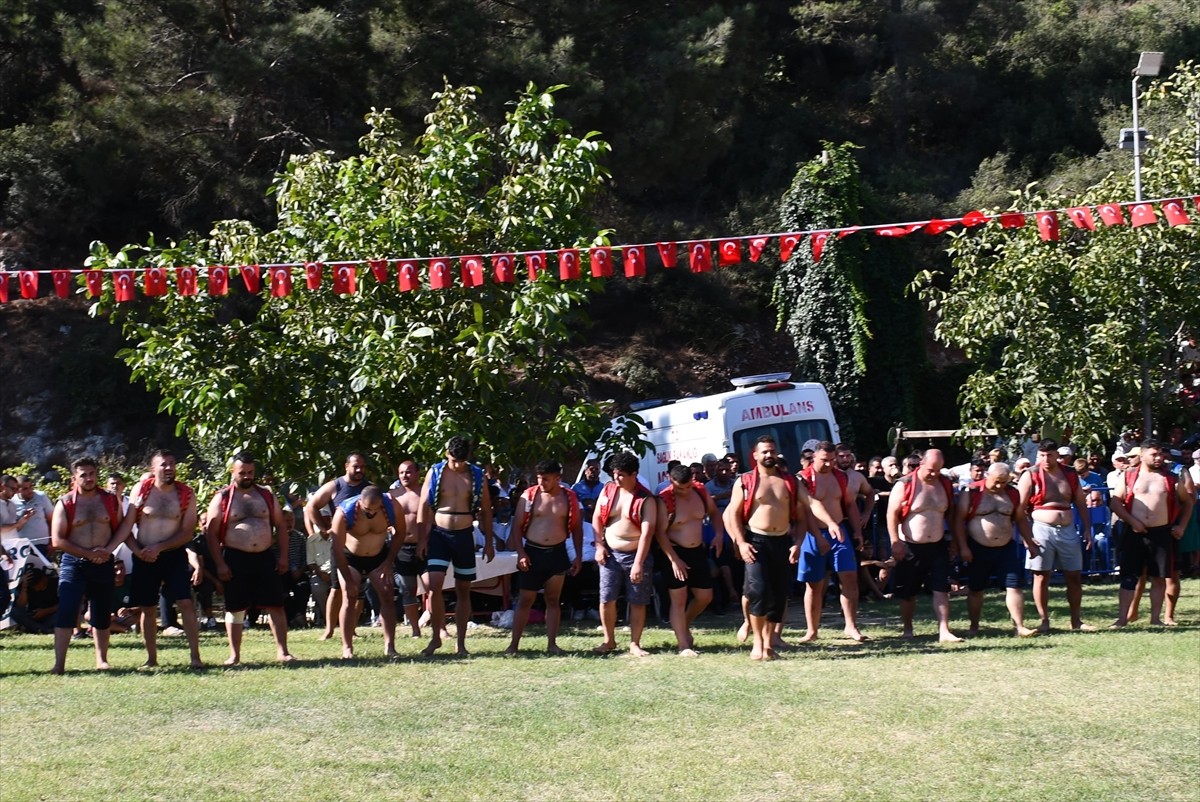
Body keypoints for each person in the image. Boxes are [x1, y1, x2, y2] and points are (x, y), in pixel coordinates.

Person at [725, 436, 819, 660]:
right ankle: (757, 643)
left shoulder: (790, 482)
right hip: (756, 541)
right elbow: (732, 515)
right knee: (758, 591)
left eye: (772, 451)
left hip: (782, 542)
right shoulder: (745, 481)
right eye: (765, 451)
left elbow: (803, 514)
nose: (769, 455)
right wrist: (741, 542)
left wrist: (798, 543)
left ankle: (768, 644)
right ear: (755, 455)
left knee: (778, 595)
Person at [112, 450, 203, 668]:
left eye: (172, 463)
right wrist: (137, 551)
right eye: (164, 464)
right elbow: (126, 526)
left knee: (185, 603)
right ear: (153, 469)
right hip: (144, 556)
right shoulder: (141, 489)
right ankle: (151, 659)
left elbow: (187, 532)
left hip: (173, 554)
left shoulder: (186, 494)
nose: (169, 468)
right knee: (148, 608)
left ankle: (195, 657)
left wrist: (160, 547)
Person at [204, 451, 294, 666]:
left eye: (250, 472)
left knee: (276, 605)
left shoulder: (266, 495)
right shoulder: (223, 498)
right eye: (242, 472)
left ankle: (283, 651)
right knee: (236, 608)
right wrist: (220, 564)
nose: (247, 476)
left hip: (265, 557)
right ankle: (234, 655)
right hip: (235, 557)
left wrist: (283, 557)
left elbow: (281, 526)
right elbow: (211, 533)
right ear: (232, 472)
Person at [417, 435, 495, 657]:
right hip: (439, 534)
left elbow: (486, 509)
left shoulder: (476, 474)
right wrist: (422, 539)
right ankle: (436, 637)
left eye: (461, 461)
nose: (458, 465)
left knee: (463, 588)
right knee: (434, 585)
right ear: (446, 454)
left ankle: (460, 643)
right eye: (453, 461)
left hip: (464, 535)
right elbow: (423, 505)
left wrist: (489, 542)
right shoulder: (436, 472)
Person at [50, 457, 125, 674]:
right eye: (83, 475)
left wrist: (109, 551)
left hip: (104, 562)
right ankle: (59, 664)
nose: (89, 478)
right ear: (74, 478)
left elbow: (121, 529)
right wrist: (88, 554)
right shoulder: (65, 502)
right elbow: (58, 540)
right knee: (67, 609)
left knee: (102, 612)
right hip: (74, 562)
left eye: (92, 474)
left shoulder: (110, 500)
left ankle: (102, 660)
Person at [1109, 442, 1195, 627]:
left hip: (1161, 533)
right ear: (1142, 455)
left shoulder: (1170, 478)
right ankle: (1122, 619)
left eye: (1160, 454)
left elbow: (1188, 502)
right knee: (1129, 577)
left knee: (1158, 578)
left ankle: (1156, 619)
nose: (1159, 458)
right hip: (1134, 532)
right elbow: (1115, 503)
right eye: (1154, 454)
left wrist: (1181, 526)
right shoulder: (1128, 476)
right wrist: (1133, 521)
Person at [954, 463, 1041, 637]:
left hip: (1005, 547)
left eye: (1004, 482)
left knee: (1014, 586)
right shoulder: (971, 492)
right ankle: (974, 626)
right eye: (997, 481)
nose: (1000, 485)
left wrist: (1029, 541)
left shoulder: (1012, 493)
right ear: (988, 475)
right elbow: (958, 521)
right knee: (976, 589)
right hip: (978, 547)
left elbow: (1020, 519)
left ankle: (1020, 626)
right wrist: (963, 547)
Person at [506, 460, 583, 655]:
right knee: (525, 600)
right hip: (532, 552)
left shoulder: (569, 497)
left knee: (553, 599)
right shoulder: (529, 496)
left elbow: (576, 528)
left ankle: (552, 644)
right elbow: (517, 526)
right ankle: (513, 645)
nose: (541, 483)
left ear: (558, 478)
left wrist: (578, 556)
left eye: (546, 479)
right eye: (539, 478)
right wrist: (521, 553)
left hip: (557, 552)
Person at [1017, 440, 1095, 633]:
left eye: (1049, 455)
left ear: (1056, 455)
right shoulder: (1030, 474)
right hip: (1041, 528)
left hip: (1067, 528)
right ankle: (1044, 621)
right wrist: (1026, 536)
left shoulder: (1069, 473)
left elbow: (1080, 502)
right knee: (1041, 575)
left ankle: (1076, 620)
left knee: (1074, 575)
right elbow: (1019, 509)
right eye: (1042, 455)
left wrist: (1087, 528)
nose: (1046, 459)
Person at [886, 449, 962, 642]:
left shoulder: (944, 484)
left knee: (941, 588)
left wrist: (955, 540)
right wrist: (895, 541)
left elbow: (950, 514)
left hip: (937, 544)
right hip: (911, 545)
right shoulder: (904, 484)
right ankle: (908, 628)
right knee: (908, 592)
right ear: (921, 464)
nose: (934, 474)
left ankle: (944, 630)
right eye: (930, 470)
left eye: (938, 470)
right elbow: (891, 514)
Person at [798, 442, 866, 642]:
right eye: (824, 460)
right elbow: (805, 511)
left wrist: (857, 531)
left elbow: (849, 504)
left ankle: (851, 626)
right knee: (814, 584)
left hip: (839, 531)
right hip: (813, 533)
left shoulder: (840, 476)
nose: (828, 464)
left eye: (832, 460)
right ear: (814, 458)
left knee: (850, 577)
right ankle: (812, 630)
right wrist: (818, 537)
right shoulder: (803, 478)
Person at [656, 462, 724, 655]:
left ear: (692, 481)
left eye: (687, 487)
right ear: (671, 481)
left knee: (705, 596)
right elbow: (660, 533)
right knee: (679, 599)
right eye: (680, 488)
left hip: (697, 551)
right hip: (674, 550)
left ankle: (683, 624)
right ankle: (683, 645)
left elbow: (714, 513)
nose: (684, 491)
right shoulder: (664, 499)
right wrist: (674, 559)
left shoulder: (700, 491)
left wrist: (719, 534)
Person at [593, 451, 657, 656]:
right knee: (606, 598)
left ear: (634, 474)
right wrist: (599, 545)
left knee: (637, 600)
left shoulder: (646, 498)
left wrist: (638, 562)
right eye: (614, 473)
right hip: (610, 553)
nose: (616, 478)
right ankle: (608, 640)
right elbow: (597, 517)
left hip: (636, 554)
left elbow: (647, 533)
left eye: (621, 474)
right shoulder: (608, 490)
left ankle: (635, 643)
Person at [331, 486, 404, 658]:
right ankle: (347, 648)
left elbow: (400, 533)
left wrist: (388, 562)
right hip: (351, 557)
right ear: (359, 502)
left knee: (387, 595)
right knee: (350, 595)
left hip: (378, 556)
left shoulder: (392, 506)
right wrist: (348, 579)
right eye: (366, 510)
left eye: (374, 510)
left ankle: (390, 646)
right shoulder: (344, 512)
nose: (370, 513)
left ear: (381, 504)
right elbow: (336, 549)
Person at [389, 459, 427, 639]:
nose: (405, 475)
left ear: (418, 473)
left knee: (433, 587)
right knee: (407, 589)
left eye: (409, 471)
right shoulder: (392, 496)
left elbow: (431, 520)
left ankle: (441, 628)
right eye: (402, 472)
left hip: (425, 546)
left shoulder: (425, 493)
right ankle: (415, 629)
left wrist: (424, 541)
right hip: (402, 548)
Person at [13, 475, 54, 545]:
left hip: (43, 543)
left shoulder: (41, 497)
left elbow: (52, 519)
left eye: (31, 487)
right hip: (23, 545)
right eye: (25, 489)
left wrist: (52, 542)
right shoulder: (12, 502)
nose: (30, 490)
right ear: (17, 490)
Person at [571, 459, 604, 523]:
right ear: (585, 471)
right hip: (581, 522)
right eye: (591, 469)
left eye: (596, 469)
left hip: (598, 522)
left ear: (599, 472)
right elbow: (571, 504)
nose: (594, 471)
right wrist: (583, 503)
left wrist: (596, 503)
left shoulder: (604, 488)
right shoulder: (576, 487)